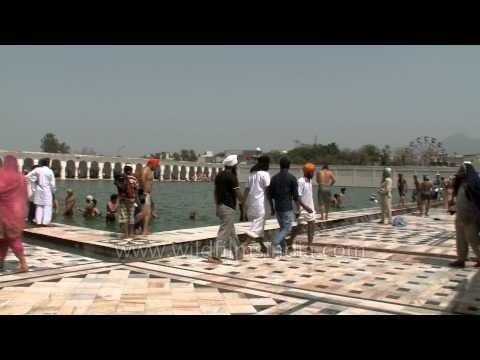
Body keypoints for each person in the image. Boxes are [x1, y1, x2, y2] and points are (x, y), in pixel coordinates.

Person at [269, 157, 313, 256]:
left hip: (277, 208)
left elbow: (269, 195)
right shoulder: (292, 178)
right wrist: (301, 209)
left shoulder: (274, 178)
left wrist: (271, 208)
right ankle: (274, 244)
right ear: (289, 166)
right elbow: (296, 197)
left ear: (280, 165)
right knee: (287, 229)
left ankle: (284, 250)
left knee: (282, 229)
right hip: (287, 208)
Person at [208, 155, 245, 264]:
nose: (237, 167)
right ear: (233, 165)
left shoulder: (219, 175)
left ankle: (238, 254)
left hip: (220, 205)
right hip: (228, 207)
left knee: (231, 231)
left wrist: (217, 206)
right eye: (236, 165)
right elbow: (238, 194)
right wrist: (244, 200)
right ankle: (214, 256)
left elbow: (215, 192)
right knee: (224, 232)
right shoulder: (232, 177)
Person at [448, 162, 480, 268]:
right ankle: (461, 259)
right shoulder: (461, 183)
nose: (459, 172)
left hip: (470, 216)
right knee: (460, 238)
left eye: (462, 170)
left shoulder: (473, 183)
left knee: (472, 238)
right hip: (460, 215)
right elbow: (459, 199)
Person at [0, 155, 28, 272]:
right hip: (17, 213)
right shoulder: (21, 177)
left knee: (10, 239)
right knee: (6, 239)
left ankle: (23, 264)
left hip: (3, 212)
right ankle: (1, 262)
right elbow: (26, 194)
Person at [242, 155, 271, 255]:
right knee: (256, 227)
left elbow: (246, 190)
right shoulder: (265, 174)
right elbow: (268, 190)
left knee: (259, 226)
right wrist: (272, 204)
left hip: (251, 203)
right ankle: (244, 245)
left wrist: (243, 204)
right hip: (260, 204)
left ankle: (262, 246)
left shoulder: (252, 174)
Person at [290, 163, 317, 253]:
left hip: (310, 209)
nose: (313, 174)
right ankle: (290, 241)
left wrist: (310, 208)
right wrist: (300, 209)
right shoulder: (301, 181)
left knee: (311, 226)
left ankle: (309, 246)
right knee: (299, 227)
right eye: (312, 172)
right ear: (307, 172)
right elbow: (297, 197)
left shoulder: (310, 181)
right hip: (302, 209)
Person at [26, 158, 56, 226]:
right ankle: (45, 222)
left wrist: (34, 180)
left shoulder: (38, 169)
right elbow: (53, 183)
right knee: (47, 206)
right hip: (47, 189)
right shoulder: (50, 171)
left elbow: (27, 176)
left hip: (39, 189)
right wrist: (53, 190)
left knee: (39, 206)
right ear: (48, 163)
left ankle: (38, 222)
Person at [116, 164, 138, 240]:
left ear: (124, 170)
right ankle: (131, 234)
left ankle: (126, 235)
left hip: (123, 199)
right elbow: (136, 188)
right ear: (131, 170)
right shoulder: (134, 178)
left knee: (124, 217)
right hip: (131, 200)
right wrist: (134, 198)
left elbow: (119, 189)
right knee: (131, 217)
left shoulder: (121, 177)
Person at [141, 158, 159, 235]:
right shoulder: (146, 170)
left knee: (148, 212)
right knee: (147, 212)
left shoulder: (150, 170)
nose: (156, 167)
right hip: (145, 193)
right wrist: (144, 191)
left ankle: (145, 229)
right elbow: (142, 179)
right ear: (151, 164)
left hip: (147, 194)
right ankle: (144, 230)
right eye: (156, 165)